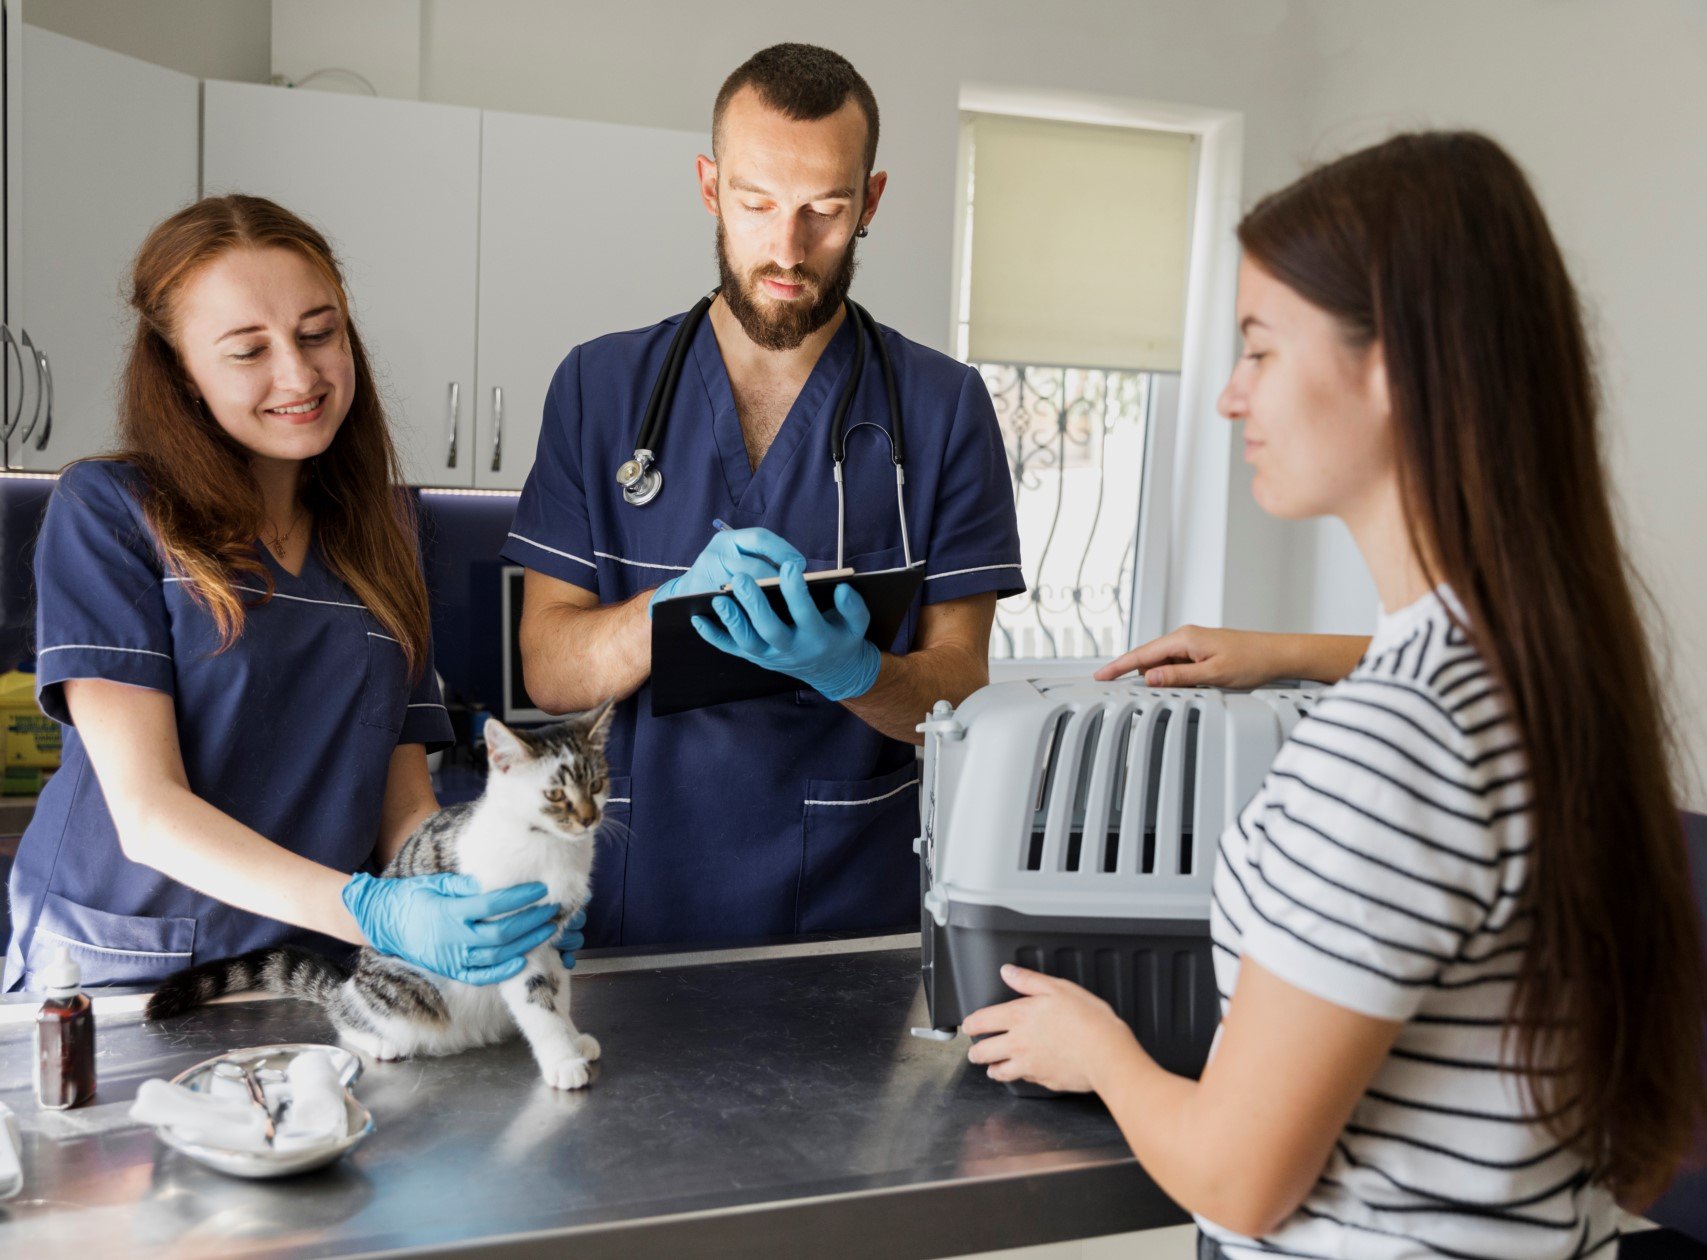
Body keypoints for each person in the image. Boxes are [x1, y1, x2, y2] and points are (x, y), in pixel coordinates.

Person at [962, 132, 1707, 1257]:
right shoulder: (1549, 673)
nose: (1227, 395)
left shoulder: (1391, 747)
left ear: (1391, 365)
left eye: (1260, 349)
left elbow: (1237, 1179)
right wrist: (1292, 653)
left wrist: (1101, 1053)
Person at [504, 44, 1022, 947]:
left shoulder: (943, 409)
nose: (787, 248)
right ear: (709, 188)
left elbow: (963, 694)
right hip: (639, 886)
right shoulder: (599, 387)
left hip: (850, 908)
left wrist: (856, 670)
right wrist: (665, 609)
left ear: (871, 200)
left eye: (824, 209)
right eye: (756, 204)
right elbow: (546, 670)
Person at [4, 195, 573, 992]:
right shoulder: (112, 511)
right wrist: (373, 911)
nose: (299, 375)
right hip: (123, 975)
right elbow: (147, 813)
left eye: (318, 333)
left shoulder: (382, 540)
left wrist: (488, 896)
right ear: (182, 373)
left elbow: (402, 812)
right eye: (247, 351)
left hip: (310, 975)